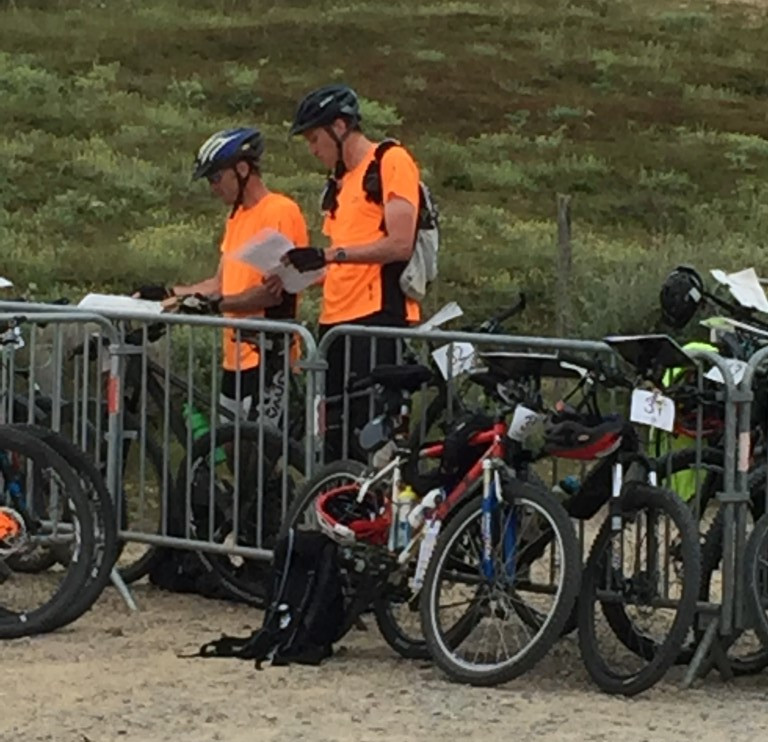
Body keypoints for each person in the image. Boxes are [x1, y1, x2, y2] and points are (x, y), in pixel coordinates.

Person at [284, 84, 422, 457]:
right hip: (334, 323)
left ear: (340, 127)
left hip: (376, 318)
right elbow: (341, 262)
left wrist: (329, 255)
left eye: (315, 138)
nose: (313, 149)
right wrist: (294, 275)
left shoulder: (390, 161)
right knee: (334, 442)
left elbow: (400, 244)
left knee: (371, 440)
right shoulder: (339, 183)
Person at [136, 127, 309, 420]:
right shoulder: (237, 217)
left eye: (215, 177)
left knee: (259, 446)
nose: (213, 187)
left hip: (269, 357)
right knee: (229, 442)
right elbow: (219, 284)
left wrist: (216, 306)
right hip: (235, 357)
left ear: (242, 169)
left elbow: (273, 293)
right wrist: (168, 293)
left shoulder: (280, 210)